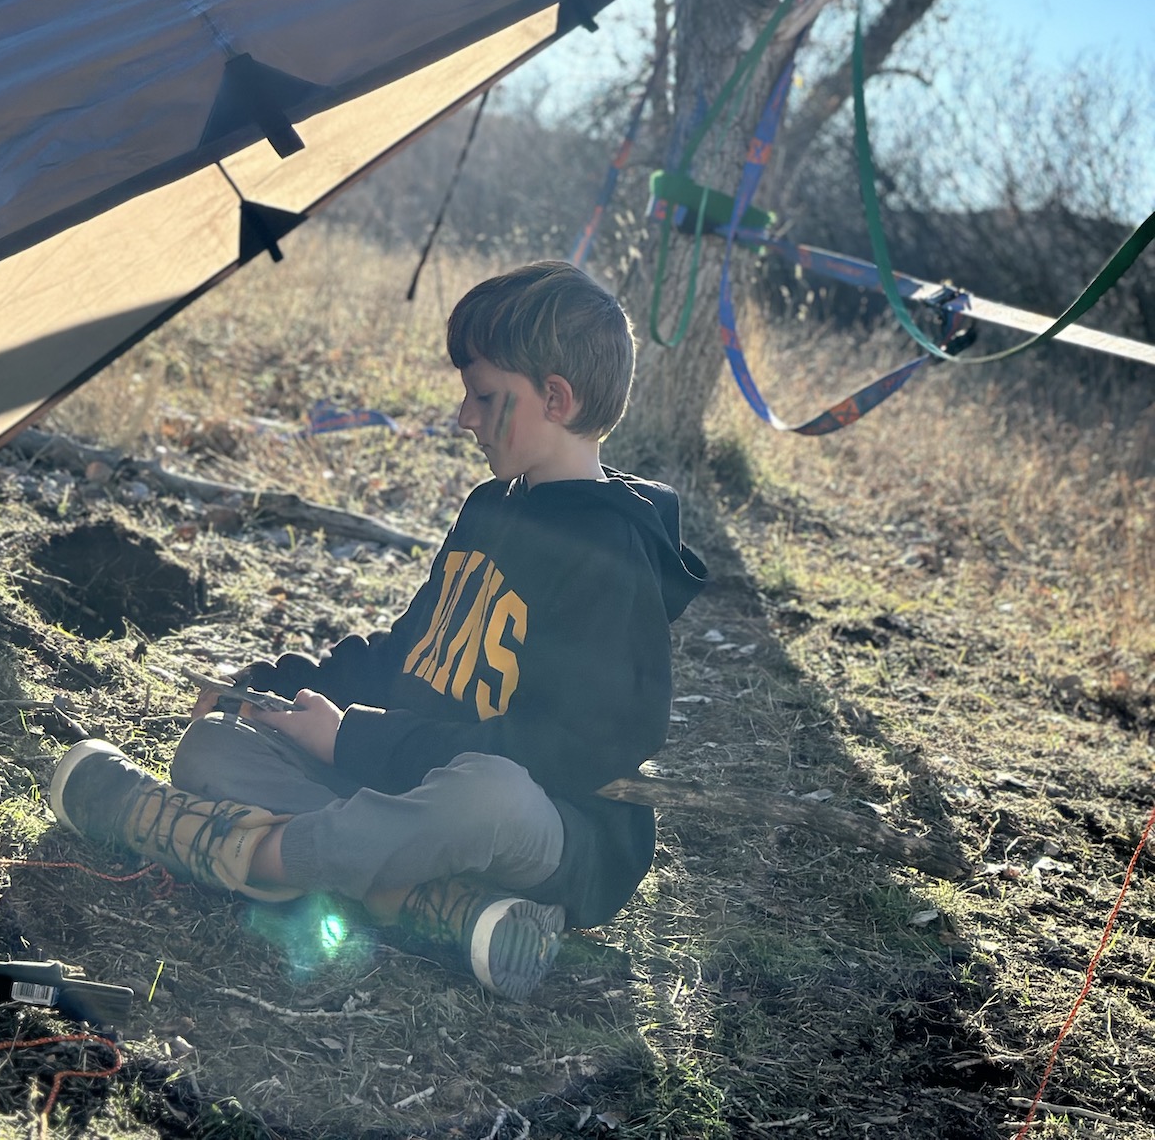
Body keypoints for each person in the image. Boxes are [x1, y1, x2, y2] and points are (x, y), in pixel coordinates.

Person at [48, 260, 707, 1001]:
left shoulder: (613, 555)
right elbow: (407, 653)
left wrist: (351, 740)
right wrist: (266, 690)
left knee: (486, 793)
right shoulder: (491, 507)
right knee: (214, 746)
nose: (464, 416)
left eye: (485, 396)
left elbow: (565, 755)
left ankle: (238, 854)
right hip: (408, 787)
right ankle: (445, 907)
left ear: (555, 398)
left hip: (547, 826)